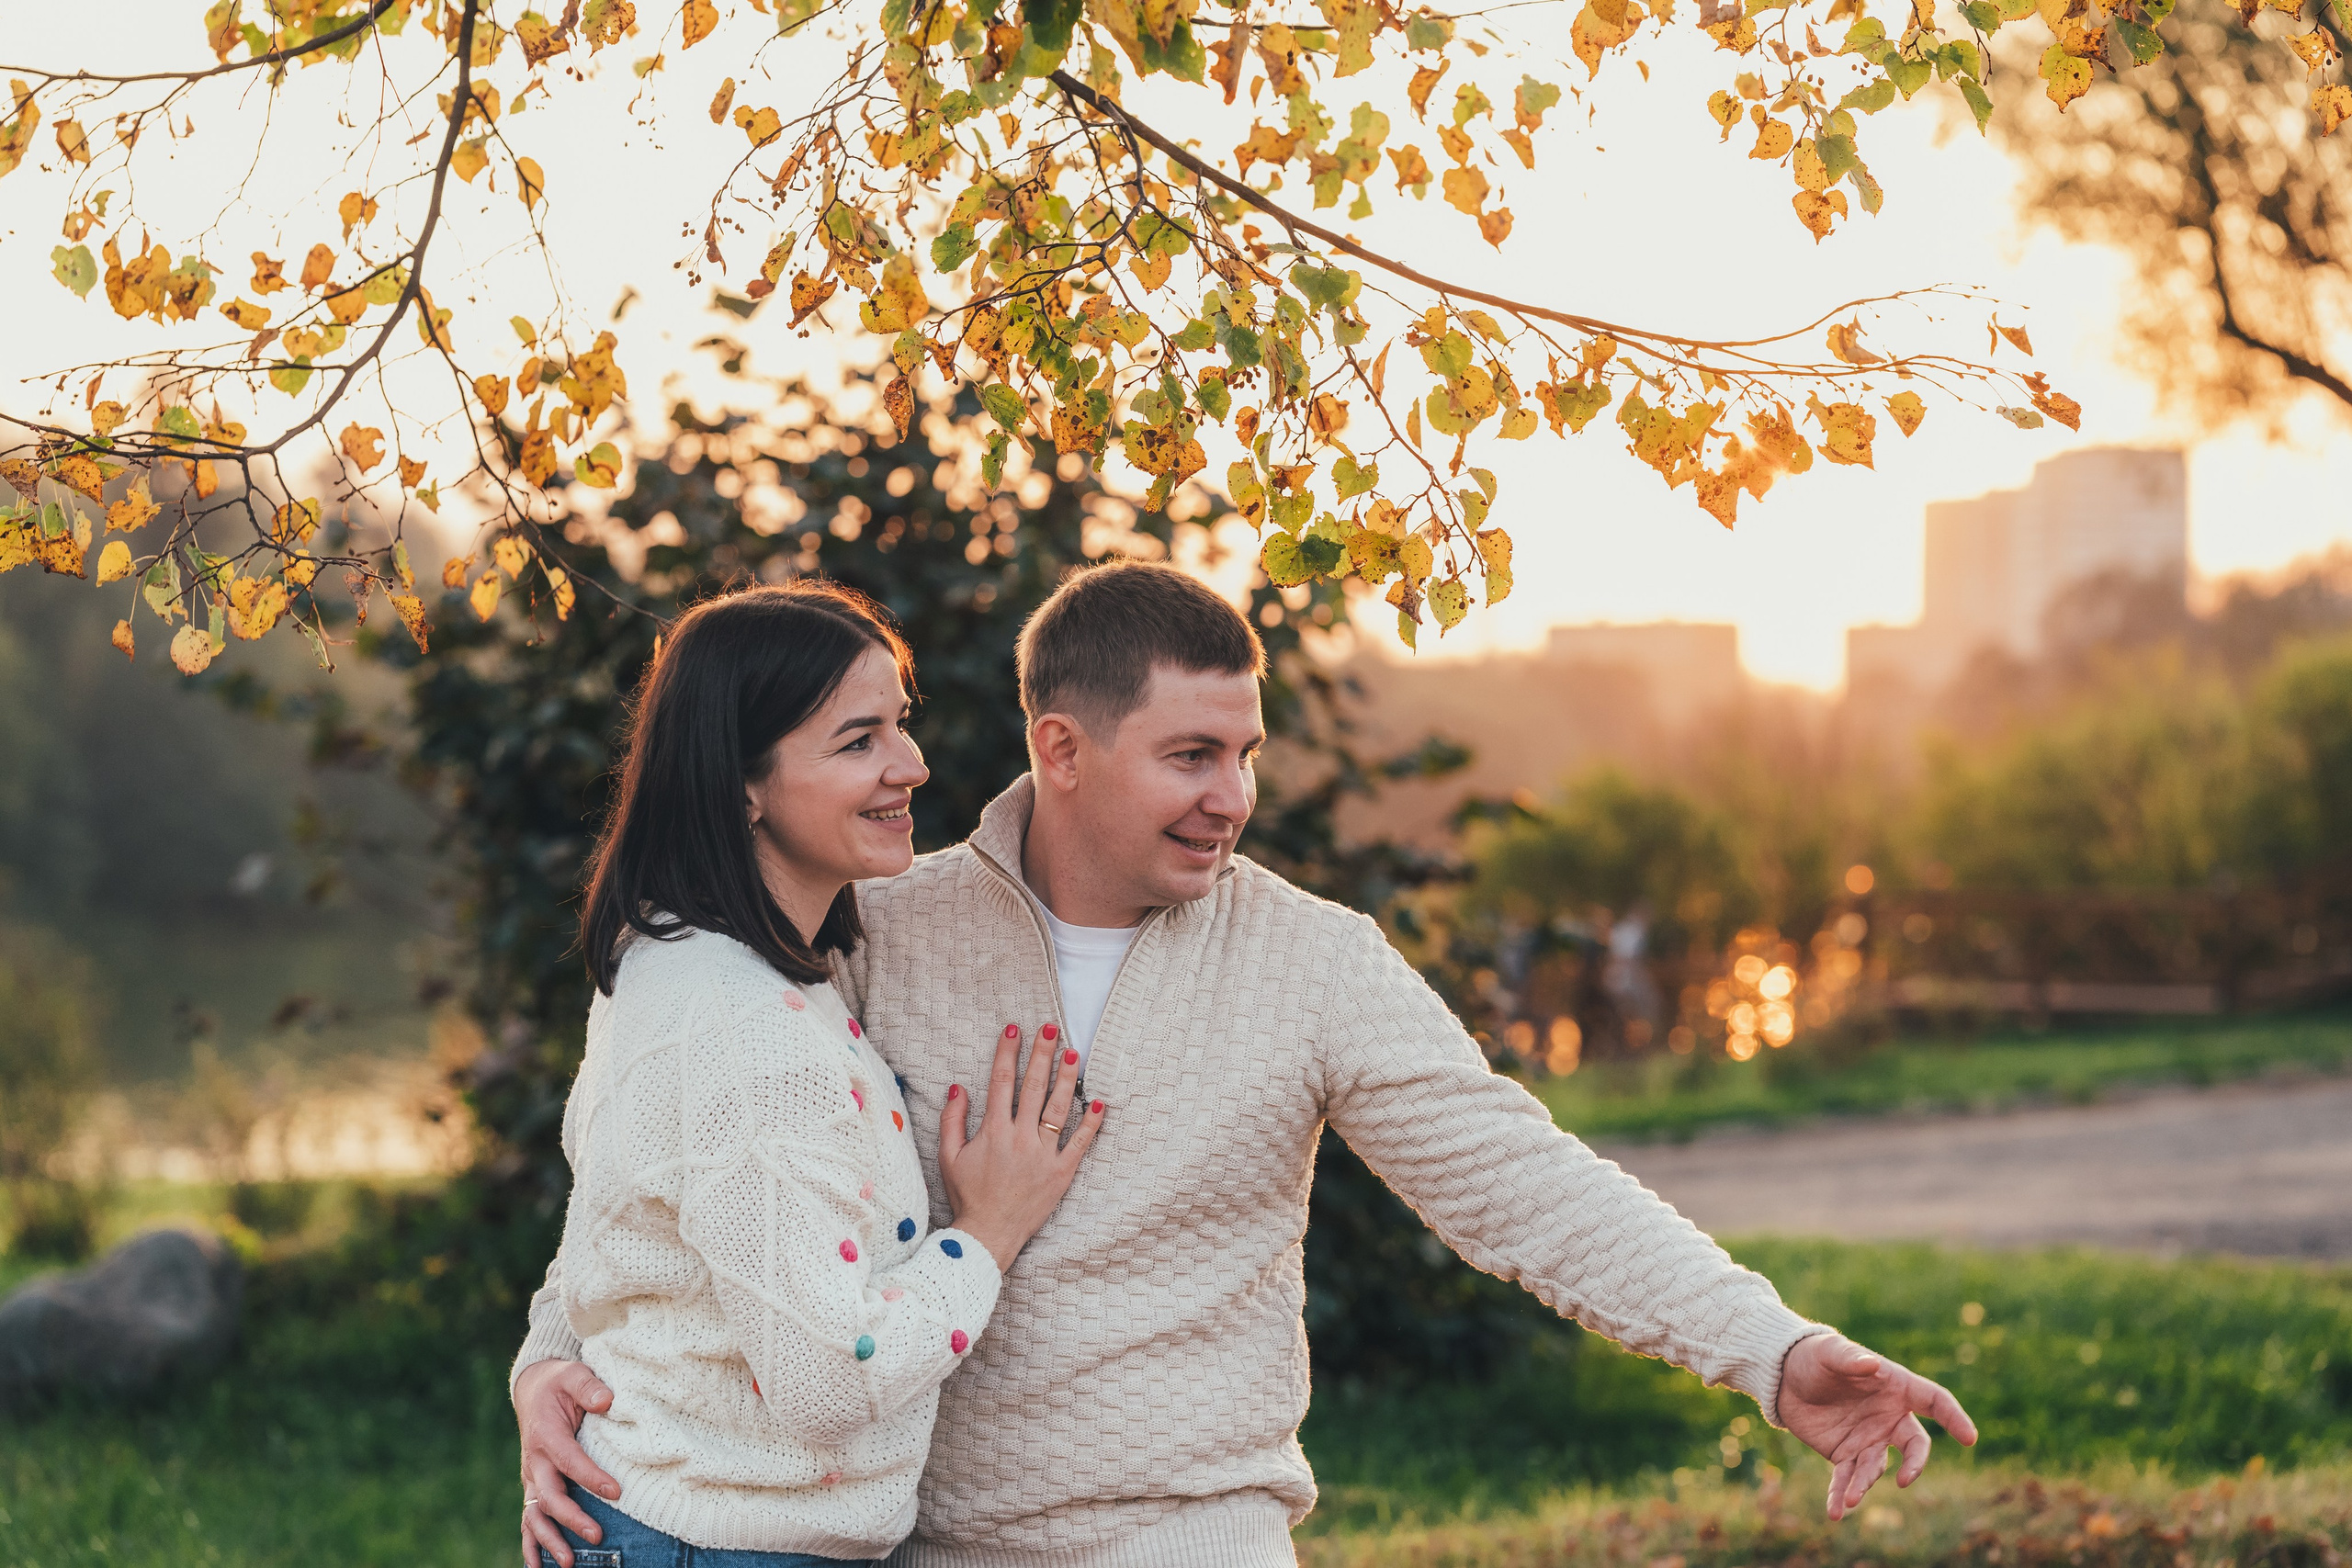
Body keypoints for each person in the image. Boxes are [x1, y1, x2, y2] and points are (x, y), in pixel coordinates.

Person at [517, 561, 1976, 1568]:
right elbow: (673, 1162)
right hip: (919, 1542)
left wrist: (1767, 1346)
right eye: (1192, 755)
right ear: (1062, 747)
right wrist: (555, 1363)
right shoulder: (874, 930)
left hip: (1189, 1536)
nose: (1234, 798)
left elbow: (1523, 1184)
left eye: (1248, 752)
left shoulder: (1316, 961)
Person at [513, 582, 1104, 1568]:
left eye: (900, 725)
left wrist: (542, 1366)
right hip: (715, 1547)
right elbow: (829, 1379)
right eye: (858, 740)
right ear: (742, 783)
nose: (910, 765)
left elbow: (618, 1221)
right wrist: (988, 1233)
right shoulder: (744, 1025)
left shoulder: (678, 957)